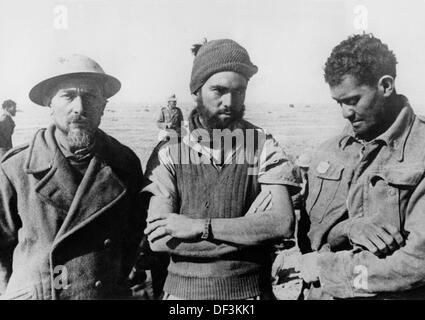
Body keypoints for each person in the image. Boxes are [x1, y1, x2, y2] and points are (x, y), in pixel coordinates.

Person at [143, 39, 300, 300]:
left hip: (251, 296)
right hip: (182, 300)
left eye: (239, 91)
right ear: (196, 90)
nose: (229, 101)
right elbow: (159, 240)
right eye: (218, 90)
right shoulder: (170, 150)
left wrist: (199, 227)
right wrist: (249, 233)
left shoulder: (260, 144)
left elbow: (281, 224)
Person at [276, 33, 425, 299]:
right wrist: (349, 228)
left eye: (353, 100)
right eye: (338, 103)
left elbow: (417, 262)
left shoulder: (420, 153)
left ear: (386, 86)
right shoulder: (328, 152)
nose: (344, 112)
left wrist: (329, 269)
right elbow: (311, 240)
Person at [0, 54, 146, 300]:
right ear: (50, 103)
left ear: (103, 105)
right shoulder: (16, 168)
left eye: (90, 96)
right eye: (68, 96)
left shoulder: (125, 163)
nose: (79, 107)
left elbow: (132, 241)